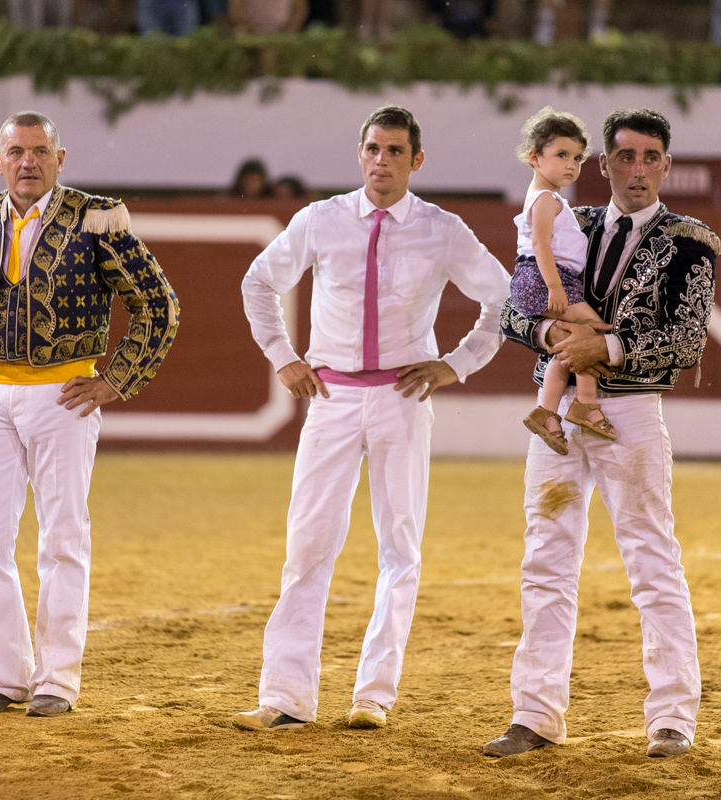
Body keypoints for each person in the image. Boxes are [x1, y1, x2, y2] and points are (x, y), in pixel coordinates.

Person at [234, 105, 511, 732]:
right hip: (330, 397)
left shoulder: (443, 229)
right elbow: (257, 282)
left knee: (399, 548)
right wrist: (283, 357)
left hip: (402, 397)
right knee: (307, 544)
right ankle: (286, 698)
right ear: (360, 154)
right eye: (372, 149)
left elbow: (503, 298)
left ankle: (374, 696)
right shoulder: (321, 219)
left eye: (394, 151)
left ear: (416, 160)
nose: (380, 161)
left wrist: (456, 364)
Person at [0, 111, 179, 717]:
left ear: (61, 159)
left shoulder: (97, 217)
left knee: (62, 537)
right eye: (17, 152)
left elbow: (158, 305)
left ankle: (57, 680)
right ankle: (4, 677)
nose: (28, 161)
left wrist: (116, 379)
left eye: (40, 151)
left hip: (64, 396)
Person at [483, 108, 718, 759]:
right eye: (625, 156)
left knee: (651, 560)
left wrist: (605, 352)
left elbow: (686, 338)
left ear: (666, 165)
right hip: (558, 419)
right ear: (605, 164)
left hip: (631, 415)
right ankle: (535, 715)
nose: (637, 169)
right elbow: (513, 306)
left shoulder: (690, 240)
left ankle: (672, 717)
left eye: (650, 157)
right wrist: (553, 335)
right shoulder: (567, 217)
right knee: (545, 559)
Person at [509, 107, 616, 456]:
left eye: (578, 157)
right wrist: (555, 287)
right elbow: (541, 244)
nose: (571, 164)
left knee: (569, 346)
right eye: (561, 155)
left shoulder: (549, 198)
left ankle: (547, 413)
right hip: (547, 279)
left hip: (544, 278)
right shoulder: (544, 199)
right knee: (592, 333)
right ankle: (585, 402)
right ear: (534, 158)